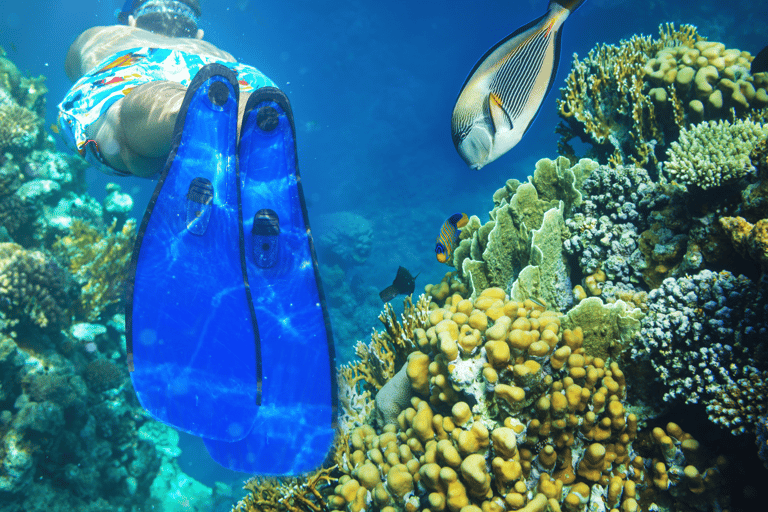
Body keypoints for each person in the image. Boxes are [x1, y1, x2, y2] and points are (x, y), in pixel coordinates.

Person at [58, 0, 275, 178]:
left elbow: (71, 67)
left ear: (131, 22)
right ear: (198, 34)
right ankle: (247, 117)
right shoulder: (217, 51)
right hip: (226, 70)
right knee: (244, 102)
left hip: (134, 60)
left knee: (125, 120)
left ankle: (184, 112)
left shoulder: (105, 34)